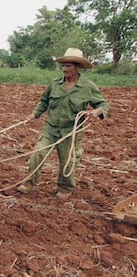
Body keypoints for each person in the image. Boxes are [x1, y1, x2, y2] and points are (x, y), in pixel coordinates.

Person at [17, 48, 109, 199]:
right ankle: (28, 183)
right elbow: (44, 101)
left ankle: (65, 188)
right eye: (63, 66)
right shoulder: (54, 84)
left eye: (68, 66)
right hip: (50, 129)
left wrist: (95, 112)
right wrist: (35, 114)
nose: (64, 69)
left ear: (77, 67)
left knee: (68, 161)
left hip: (70, 132)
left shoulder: (87, 87)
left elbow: (103, 104)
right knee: (37, 154)